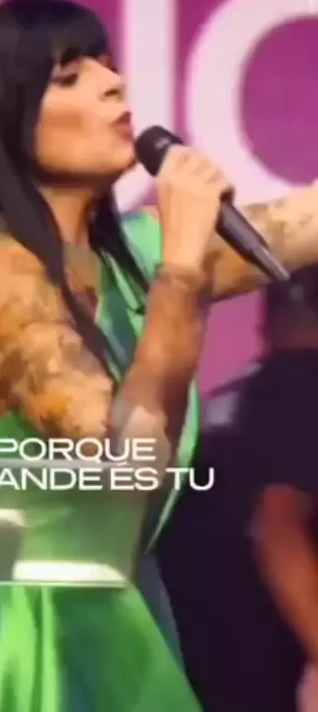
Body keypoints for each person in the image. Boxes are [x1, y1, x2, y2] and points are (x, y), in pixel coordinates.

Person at [0, 0, 318, 712]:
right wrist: (182, 273)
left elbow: (302, 221)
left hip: (121, 620)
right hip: (27, 639)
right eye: (70, 76)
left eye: (107, 63)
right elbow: (128, 465)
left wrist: (177, 260)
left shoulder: (135, 256)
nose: (114, 84)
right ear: (5, 118)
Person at [159, 265, 318, 711]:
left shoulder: (225, 406)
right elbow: (277, 530)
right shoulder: (304, 386)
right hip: (244, 678)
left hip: (168, 664)